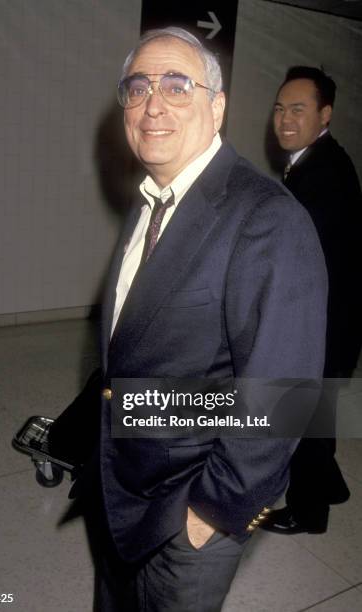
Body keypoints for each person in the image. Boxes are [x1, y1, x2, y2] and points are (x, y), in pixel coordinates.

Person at [53, 31, 328, 611]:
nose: (154, 104)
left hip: (188, 508)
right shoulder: (155, 194)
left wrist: (209, 512)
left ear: (218, 106)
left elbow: (287, 396)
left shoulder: (270, 220)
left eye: (178, 85)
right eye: (139, 87)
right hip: (124, 481)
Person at [262, 66, 362, 536]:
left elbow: (299, 257)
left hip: (324, 323)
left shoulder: (322, 175)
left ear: (325, 114)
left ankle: (309, 511)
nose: (284, 118)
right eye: (280, 108)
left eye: (297, 109)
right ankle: (333, 487)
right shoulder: (317, 160)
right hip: (337, 317)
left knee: (302, 415)